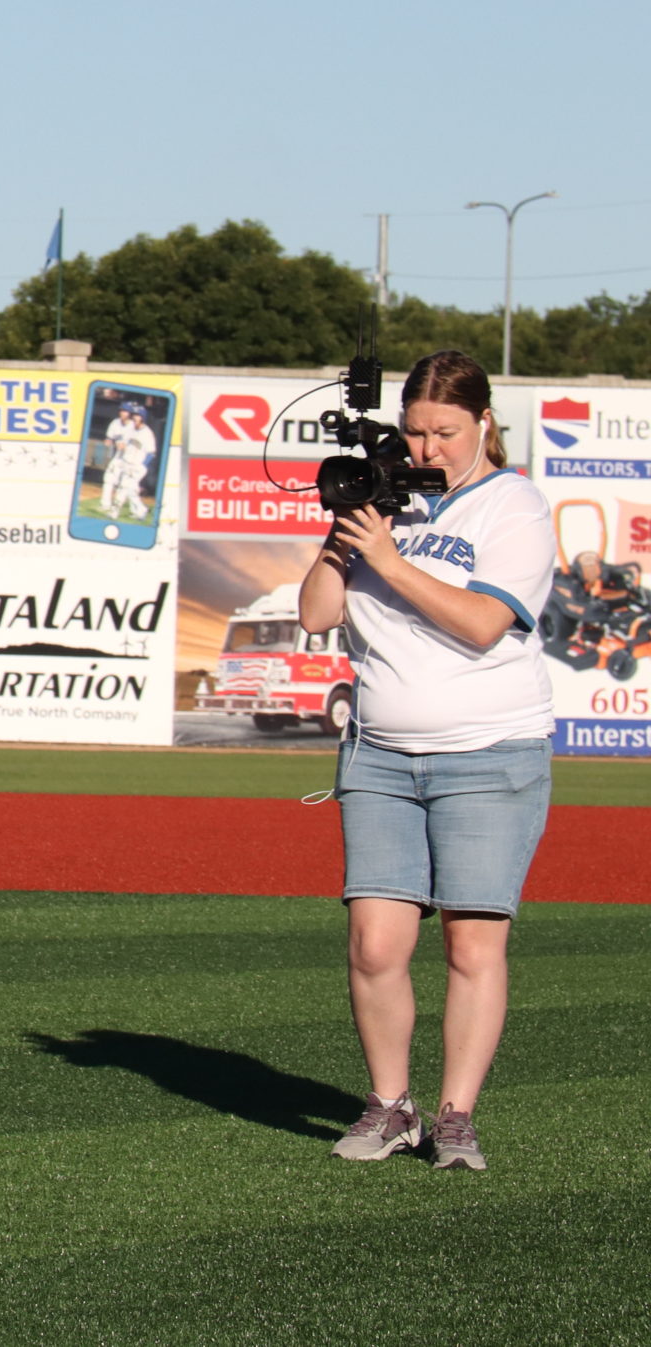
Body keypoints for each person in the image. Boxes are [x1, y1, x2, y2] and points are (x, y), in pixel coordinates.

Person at [297, 349, 556, 1173]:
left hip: (489, 756)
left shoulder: (512, 506)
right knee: (375, 943)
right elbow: (314, 614)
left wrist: (393, 558)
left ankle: (456, 1116)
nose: (425, 447)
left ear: (483, 423)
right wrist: (347, 537)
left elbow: (483, 624)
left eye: (443, 431)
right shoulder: (383, 502)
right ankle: (389, 1104)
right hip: (379, 756)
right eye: (412, 431)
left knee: (471, 946)